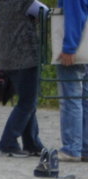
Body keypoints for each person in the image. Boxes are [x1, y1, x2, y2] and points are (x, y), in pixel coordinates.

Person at [0, 0, 47, 157]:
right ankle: (7, 142)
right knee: (27, 103)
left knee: (27, 100)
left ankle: (32, 142)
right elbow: (45, 12)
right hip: (26, 56)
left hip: (7, 57)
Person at [57, 0, 88, 162]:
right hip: (86, 49)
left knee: (71, 98)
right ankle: (84, 147)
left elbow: (74, 16)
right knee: (84, 99)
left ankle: (72, 148)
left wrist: (69, 47)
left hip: (76, 50)